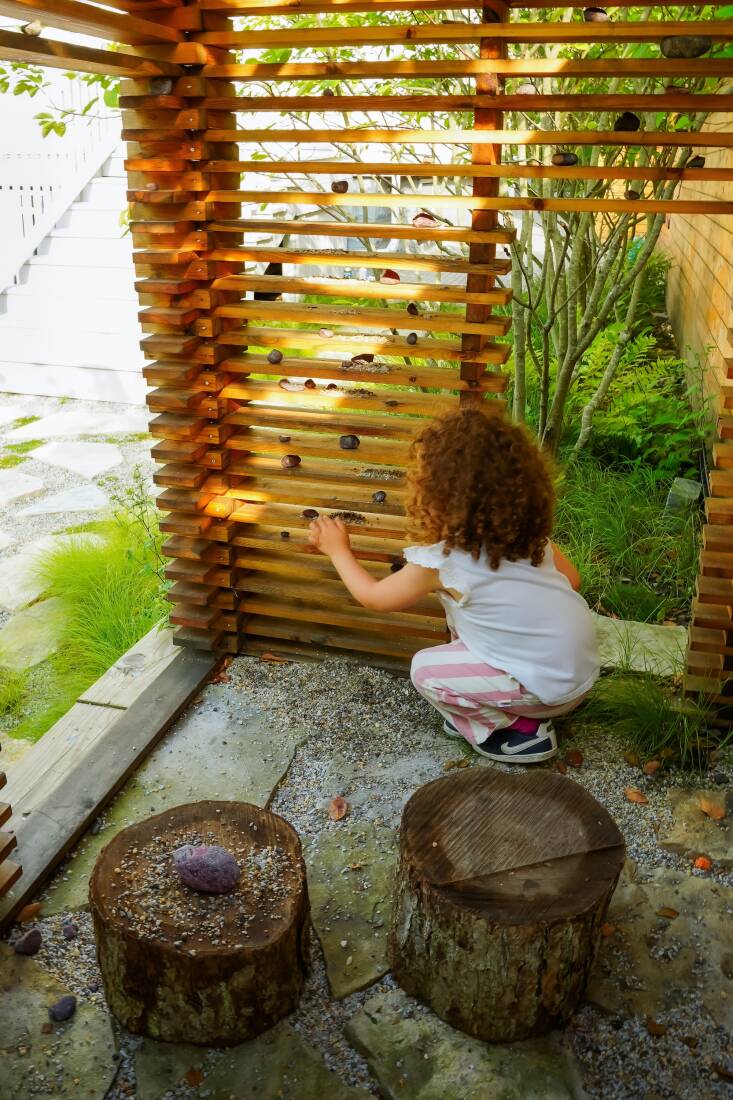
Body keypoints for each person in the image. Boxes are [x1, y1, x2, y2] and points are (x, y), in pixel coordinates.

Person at [308, 408, 599, 764]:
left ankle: (520, 731)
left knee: (425, 671)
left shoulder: (444, 561)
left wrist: (338, 550)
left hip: (546, 693)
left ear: (436, 493)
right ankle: (486, 702)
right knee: (463, 621)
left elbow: (374, 598)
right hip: (580, 672)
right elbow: (573, 580)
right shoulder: (530, 538)